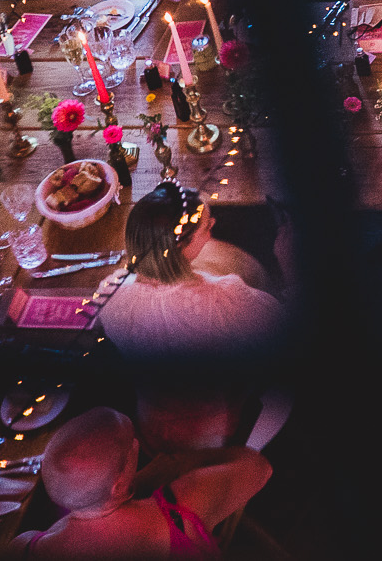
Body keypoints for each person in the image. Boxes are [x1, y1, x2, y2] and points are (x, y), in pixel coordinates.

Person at [95, 184, 291, 454]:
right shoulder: (226, 299)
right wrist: (289, 267)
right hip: (212, 434)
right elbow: (287, 332)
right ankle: (247, 452)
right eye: (207, 227)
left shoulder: (109, 290)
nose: (214, 223)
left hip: (149, 425)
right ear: (181, 245)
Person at [10, 406, 269, 559]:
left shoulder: (24, 548)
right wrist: (178, 462)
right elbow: (258, 468)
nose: (136, 444)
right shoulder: (181, 509)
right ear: (118, 485)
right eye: (131, 442)